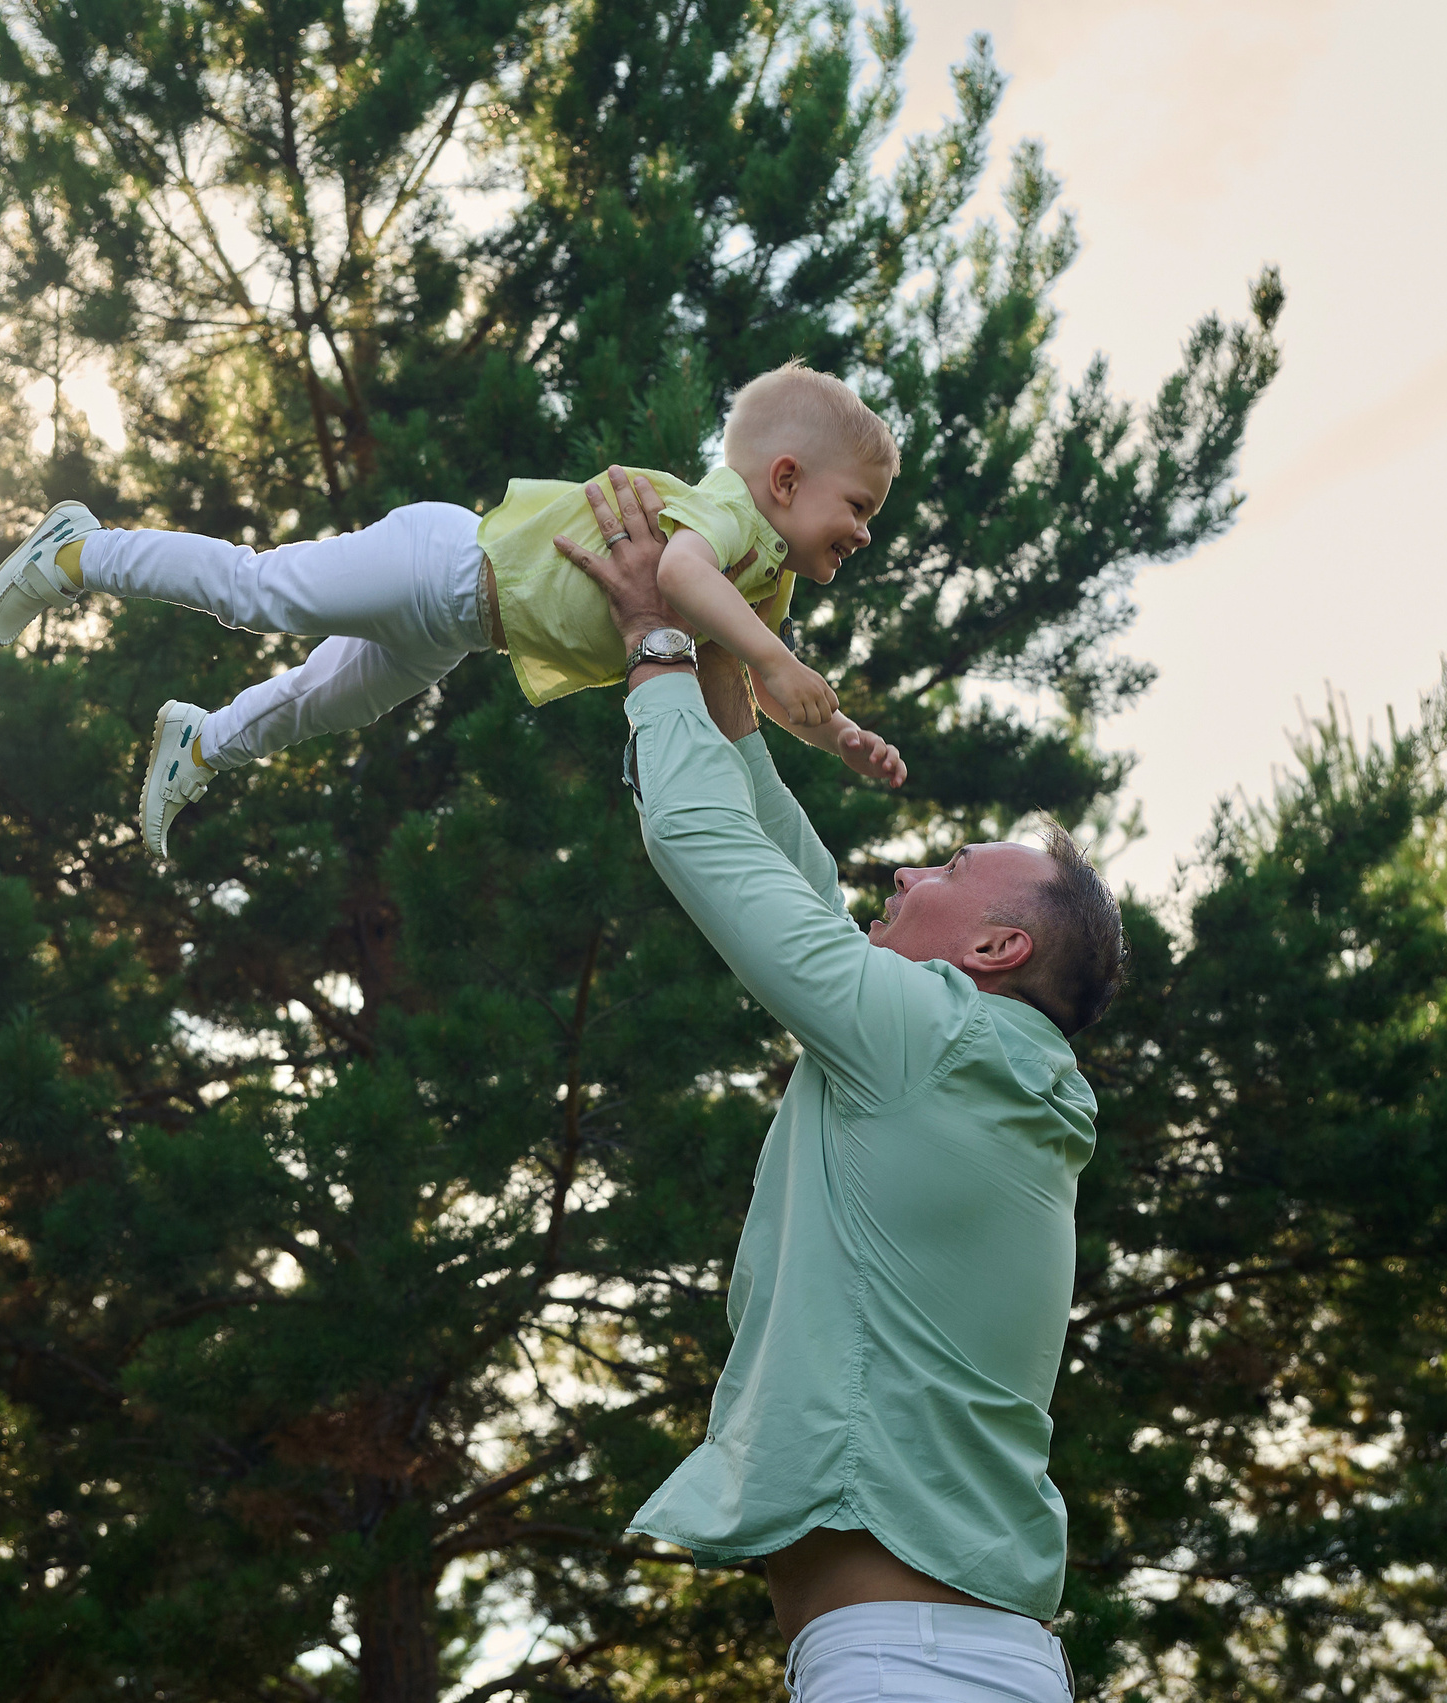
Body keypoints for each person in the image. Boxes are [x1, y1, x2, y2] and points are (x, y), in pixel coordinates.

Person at [552, 469, 1126, 1703]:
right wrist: (724, 662)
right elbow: (798, 878)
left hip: (910, 1668)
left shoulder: (938, 1039)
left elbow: (709, 847)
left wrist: (654, 645)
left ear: (994, 949)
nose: (911, 864)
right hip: (950, 1661)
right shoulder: (969, 1058)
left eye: (952, 866)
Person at [0, 362, 905, 855]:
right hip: (440, 564)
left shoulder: (764, 580)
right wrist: (780, 661)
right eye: (857, 506)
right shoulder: (732, 515)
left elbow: (752, 687)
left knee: (319, 702)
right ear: (784, 478)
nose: (863, 532)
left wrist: (839, 733)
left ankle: (202, 741)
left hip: (458, 626)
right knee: (257, 591)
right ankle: (76, 550)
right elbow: (681, 579)